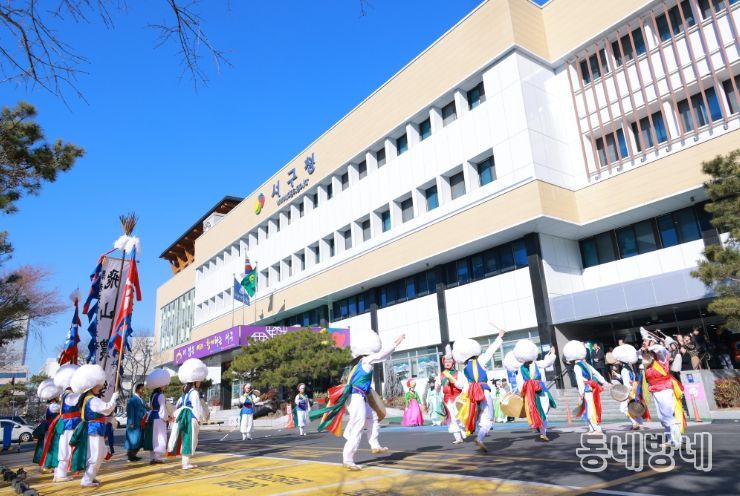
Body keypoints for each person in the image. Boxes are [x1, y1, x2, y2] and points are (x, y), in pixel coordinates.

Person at [310, 328, 405, 471]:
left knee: (372, 417)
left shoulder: (357, 365)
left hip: (357, 397)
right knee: (358, 426)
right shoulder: (366, 361)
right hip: (356, 397)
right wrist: (396, 343)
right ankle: (348, 459)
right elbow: (382, 355)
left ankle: (374, 445)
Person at [453, 326, 505, 452]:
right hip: (484, 391)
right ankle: (480, 438)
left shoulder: (464, 370)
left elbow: (463, 386)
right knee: (489, 416)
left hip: (472, 393)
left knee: (474, 413)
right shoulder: (480, 360)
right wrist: (499, 337)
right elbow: (490, 351)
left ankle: (469, 429)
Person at [68, 364, 119, 488]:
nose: (100, 387)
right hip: (94, 430)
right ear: (92, 386)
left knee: (98, 454)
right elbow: (107, 408)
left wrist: (108, 419)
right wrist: (114, 398)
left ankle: (90, 476)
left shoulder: (87, 399)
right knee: (96, 456)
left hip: (93, 429)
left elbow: (97, 415)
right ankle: (87, 480)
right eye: (98, 385)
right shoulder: (93, 400)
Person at [167, 358, 209, 469]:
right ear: (195, 381)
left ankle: (185, 462)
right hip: (190, 416)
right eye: (199, 381)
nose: (200, 382)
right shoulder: (194, 392)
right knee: (189, 438)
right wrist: (201, 418)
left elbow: (178, 405)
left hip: (183, 415)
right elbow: (197, 407)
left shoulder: (184, 393)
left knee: (185, 437)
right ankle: (185, 463)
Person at [644, 344, 686, 449]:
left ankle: (678, 442)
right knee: (663, 417)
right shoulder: (649, 364)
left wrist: (650, 346)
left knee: (668, 416)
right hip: (656, 391)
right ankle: (671, 440)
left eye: (646, 342)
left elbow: (661, 349)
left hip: (665, 390)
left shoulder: (661, 359)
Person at [514, 341, 557, 441]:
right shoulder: (536, 364)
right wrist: (552, 354)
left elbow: (519, 382)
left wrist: (522, 393)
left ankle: (540, 427)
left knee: (540, 410)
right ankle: (543, 432)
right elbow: (548, 362)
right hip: (538, 391)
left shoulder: (522, 368)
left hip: (532, 392)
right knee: (543, 411)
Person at [566, 340, 609, 434]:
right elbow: (596, 373)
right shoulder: (586, 364)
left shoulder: (577, 367)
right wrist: (605, 382)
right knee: (588, 408)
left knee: (590, 408)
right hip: (592, 388)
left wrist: (581, 393)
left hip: (586, 389)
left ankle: (597, 429)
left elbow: (579, 381)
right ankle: (592, 428)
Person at [47, 364, 81, 482]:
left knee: (63, 449)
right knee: (66, 449)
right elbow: (79, 400)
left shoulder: (65, 394)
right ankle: (61, 474)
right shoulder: (71, 395)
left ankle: (59, 473)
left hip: (67, 424)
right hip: (70, 424)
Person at [613, 344, 647, 430]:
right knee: (635, 407)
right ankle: (641, 424)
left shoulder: (624, 370)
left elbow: (626, 384)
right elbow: (629, 379)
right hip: (634, 390)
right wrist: (617, 375)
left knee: (623, 408)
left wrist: (626, 394)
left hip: (629, 392)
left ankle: (634, 423)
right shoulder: (630, 368)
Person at [143, 369, 171, 464]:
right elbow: (162, 409)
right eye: (164, 385)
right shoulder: (161, 395)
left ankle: (152, 457)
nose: (165, 386)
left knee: (152, 437)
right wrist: (166, 418)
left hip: (151, 417)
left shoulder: (153, 395)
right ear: (161, 385)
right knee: (160, 437)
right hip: (159, 418)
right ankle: (158, 457)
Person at [439, 345, 466, 443]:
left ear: (453, 363)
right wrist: (437, 387)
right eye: (446, 361)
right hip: (447, 400)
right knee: (451, 418)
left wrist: (453, 381)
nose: (447, 363)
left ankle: (463, 429)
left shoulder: (459, 373)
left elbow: (462, 386)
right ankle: (457, 437)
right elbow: (439, 388)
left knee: (459, 416)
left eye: (449, 361)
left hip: (457, 398)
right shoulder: (441, 375)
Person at [33, 380, 61, 469]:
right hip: (52, 428)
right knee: (49, 447)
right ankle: (46, 465)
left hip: (50, 427)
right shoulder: (54, 406)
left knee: (48, 446)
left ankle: (47, 465)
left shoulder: (52, 405)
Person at [125, 383, 147, 462]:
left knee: (139, 440)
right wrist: (131, 422)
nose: (143, 391)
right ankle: (130, 456)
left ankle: (134, 455)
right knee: (133, 440)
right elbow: (130, 411)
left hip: (141, 422)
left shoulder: (141, 399)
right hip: (134, 423)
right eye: (142, 389)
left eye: (143, 389)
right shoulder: (132, 400)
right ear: (137, 389)